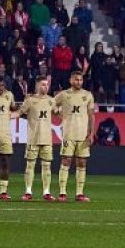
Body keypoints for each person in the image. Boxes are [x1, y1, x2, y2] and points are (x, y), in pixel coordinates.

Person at [53, 70, 96, 202]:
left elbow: (91, 115)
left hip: (83, 135)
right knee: (66, 161)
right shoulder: (64, 95)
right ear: (71, 80)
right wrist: (58, 113)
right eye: (76, 79)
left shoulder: (87, 95)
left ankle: (79, 194)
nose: (79, 82)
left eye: (81, 80)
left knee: (82, 162)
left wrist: (91, 134)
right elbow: (52, 105)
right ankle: (62, 193)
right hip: (68, 134)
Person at [13, 76, 55, 201]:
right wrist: (7, 116)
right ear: (37, 86)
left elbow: (59, 112)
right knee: (30, 165)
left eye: (47, 84)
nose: (45, 87)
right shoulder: (30, 100)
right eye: (43, 84)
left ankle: (46, 192)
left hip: (47, 138)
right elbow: (19, 113)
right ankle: (28, 192)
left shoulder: (51, 100)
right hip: (33, 138)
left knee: (47, 166)